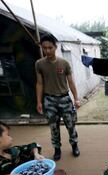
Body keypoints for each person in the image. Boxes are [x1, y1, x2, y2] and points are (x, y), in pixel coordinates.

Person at [35, 33, 80, 161]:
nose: (47, 51)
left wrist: (76, 99)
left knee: (70, 124)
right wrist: (39, 102)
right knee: (53, 127)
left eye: (50, 47)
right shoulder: (39, 64)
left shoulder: (64, 63)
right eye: (44, 48)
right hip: (49, 100)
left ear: (56, 47)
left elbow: (71, 82)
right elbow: (39, 83)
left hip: (65, 99)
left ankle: (75, 145)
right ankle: (57, 149)